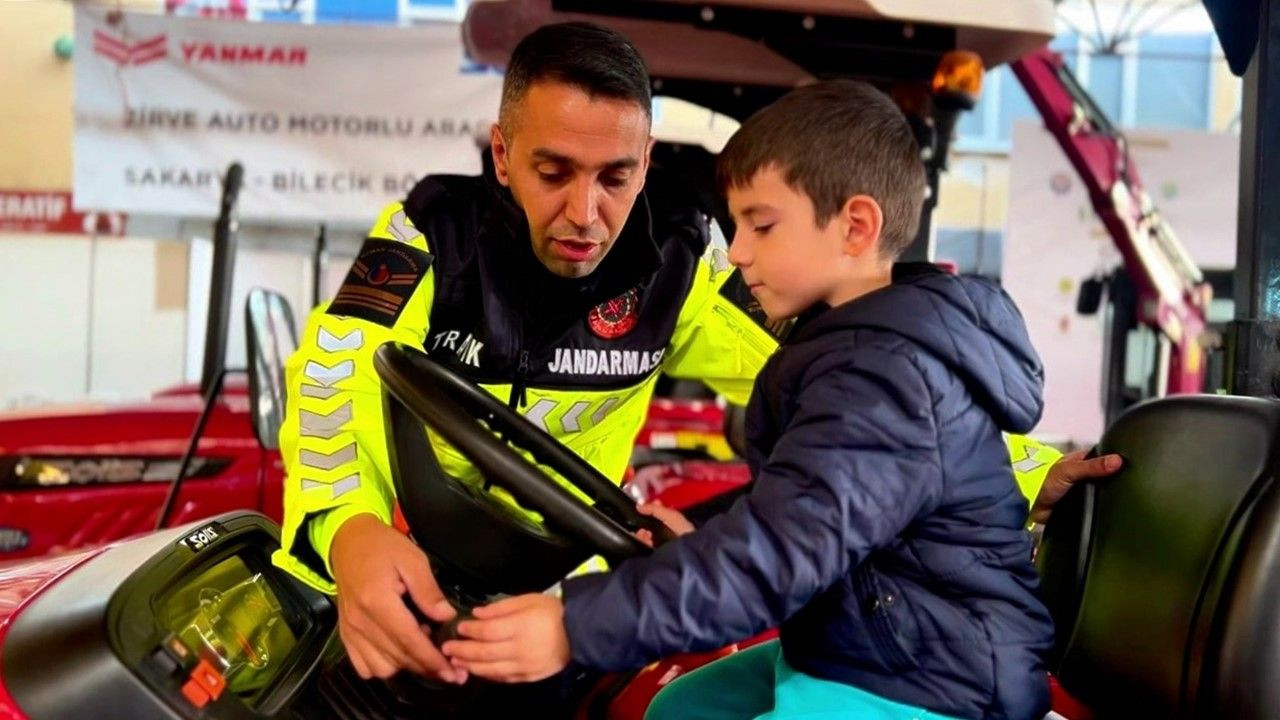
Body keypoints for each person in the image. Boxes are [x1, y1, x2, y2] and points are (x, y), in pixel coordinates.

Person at [272, 20, 1115, 689]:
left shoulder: (680, 264)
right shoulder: (430, 236)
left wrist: (1029, 469)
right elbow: (329, 378)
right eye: (553, 171)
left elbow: (872, 385)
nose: (585, 213)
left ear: (646, 165)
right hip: (419, 562)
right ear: (501, 154)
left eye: (615, 177)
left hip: (579, 583)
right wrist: (348, 531)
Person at [442, 80, 1057, 720]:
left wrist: (575, 626)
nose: (736, 252)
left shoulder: (884, 378)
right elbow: (809, 496)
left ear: (855, 227)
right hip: (869, 638)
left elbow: (781, 555)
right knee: (680, 708)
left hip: (931, 675)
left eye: (761, 225)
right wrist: (703, 531)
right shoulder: (845, 349)